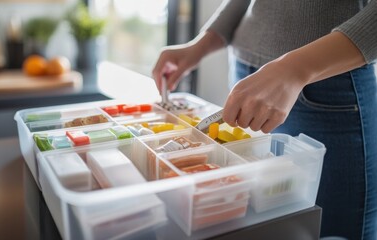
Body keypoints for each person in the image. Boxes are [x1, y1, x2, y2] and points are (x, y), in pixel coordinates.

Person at [152, 1, 377, 239]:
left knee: (333, 230)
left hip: (324, 80)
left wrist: (294, 70)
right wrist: (201, 44)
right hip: (247, 71)